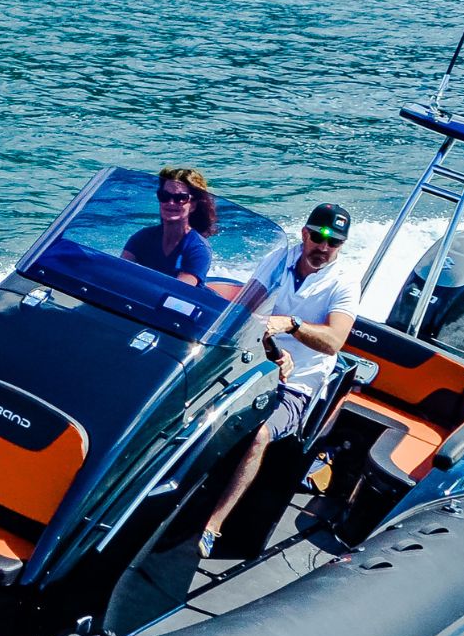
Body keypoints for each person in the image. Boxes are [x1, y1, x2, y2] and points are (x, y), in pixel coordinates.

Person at [196, 202, 358, 558]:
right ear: (305, 234)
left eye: (334, 242)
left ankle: (213, 525)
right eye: (318, 237)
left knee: (259, 434)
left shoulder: (344, 283)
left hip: (297, 385)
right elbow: (246, 306)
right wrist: (266, 344)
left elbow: (334, 341)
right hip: (256, 358)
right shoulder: (279, 260)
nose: (324, 247)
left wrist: (292, 325)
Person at [121, 167, 214, 286]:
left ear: (193, 206)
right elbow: (120, 271)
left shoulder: (198, 249)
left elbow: (179, 292)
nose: (170, 203)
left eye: (180, 198)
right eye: (164, 196)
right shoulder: (143, 237)